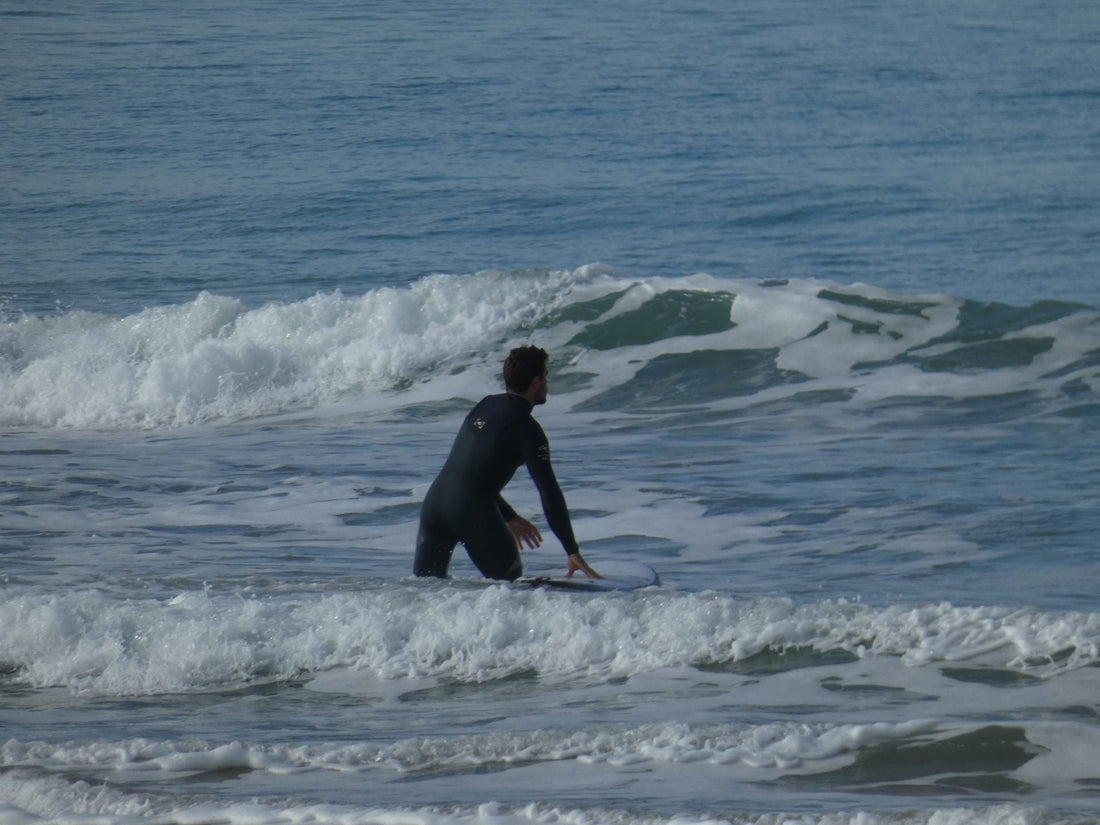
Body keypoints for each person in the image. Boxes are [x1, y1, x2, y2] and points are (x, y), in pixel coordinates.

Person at [414, 345, 600, 581]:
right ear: (536, 382)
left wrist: (509, 515)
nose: (546, 384)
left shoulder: (485, 404)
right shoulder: (527, 428)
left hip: (435, 505)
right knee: (509, 588)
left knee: (425, 590)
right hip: (470, 509)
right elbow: (549, 492)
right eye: (545, 377)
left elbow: (471, 474)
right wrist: (572, 550)